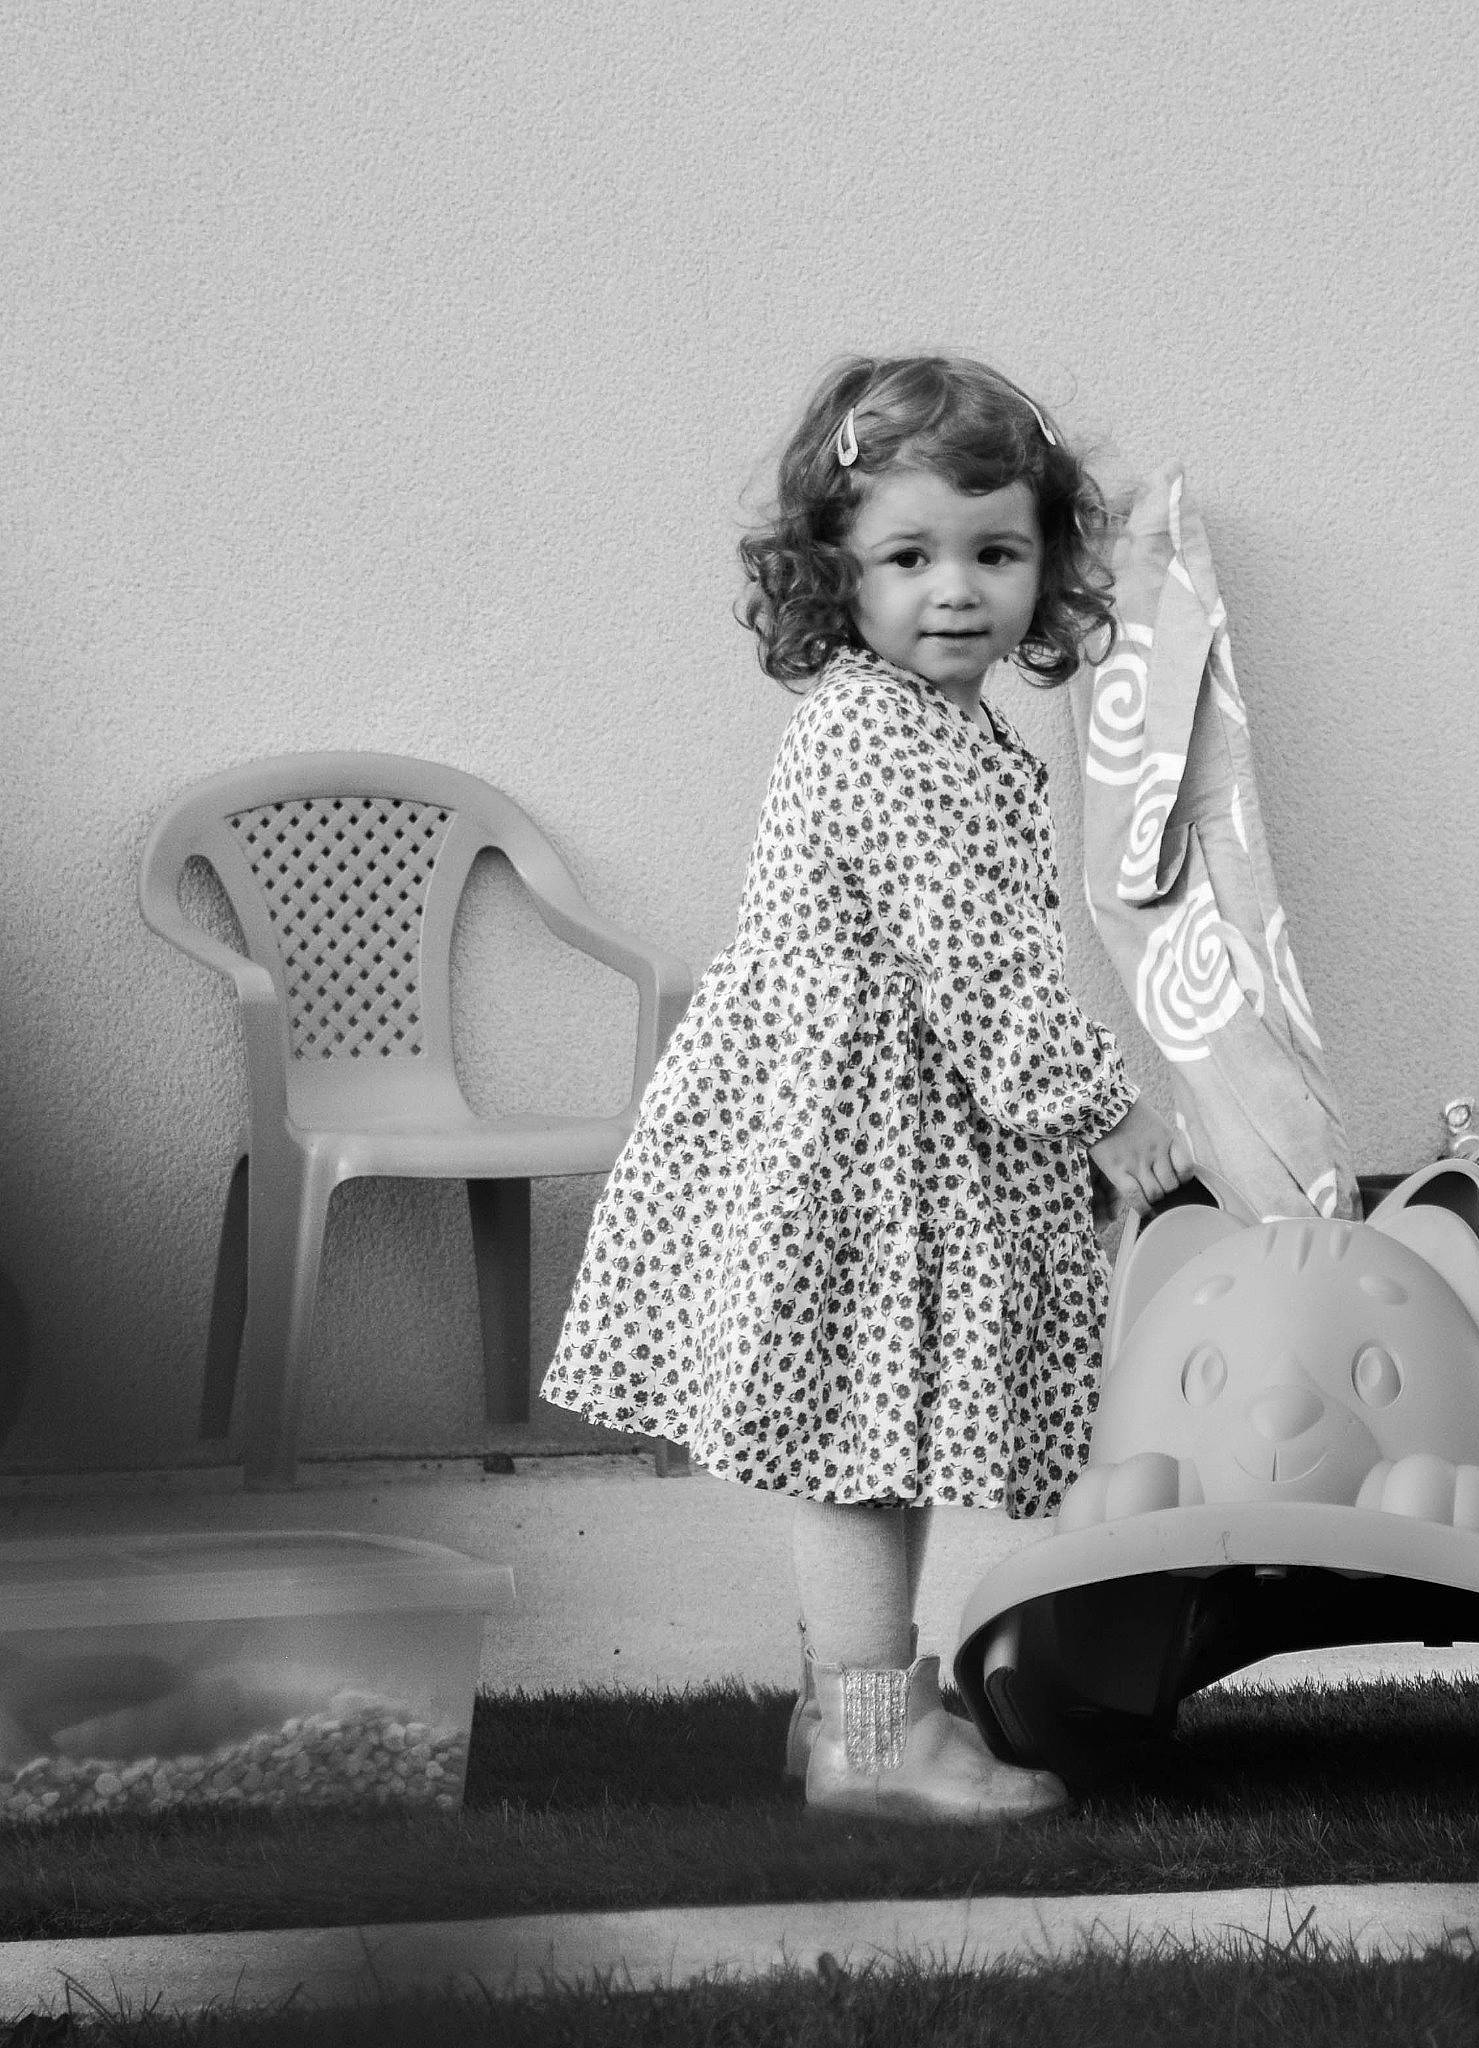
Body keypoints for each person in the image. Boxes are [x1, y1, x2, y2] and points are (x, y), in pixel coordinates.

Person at [540, 354, 1192, 1821]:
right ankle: (872, 1740)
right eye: (910, 557)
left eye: (995, 552)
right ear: (837, 569)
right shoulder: (877, 733)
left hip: (889, 1135)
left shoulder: (939, 722)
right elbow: (978, 970)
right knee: (859, 1448)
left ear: (1046, 563)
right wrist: (1104, 1109)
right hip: (854, 1148)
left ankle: (843, 1711)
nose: (956, 589)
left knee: (874, 1438)